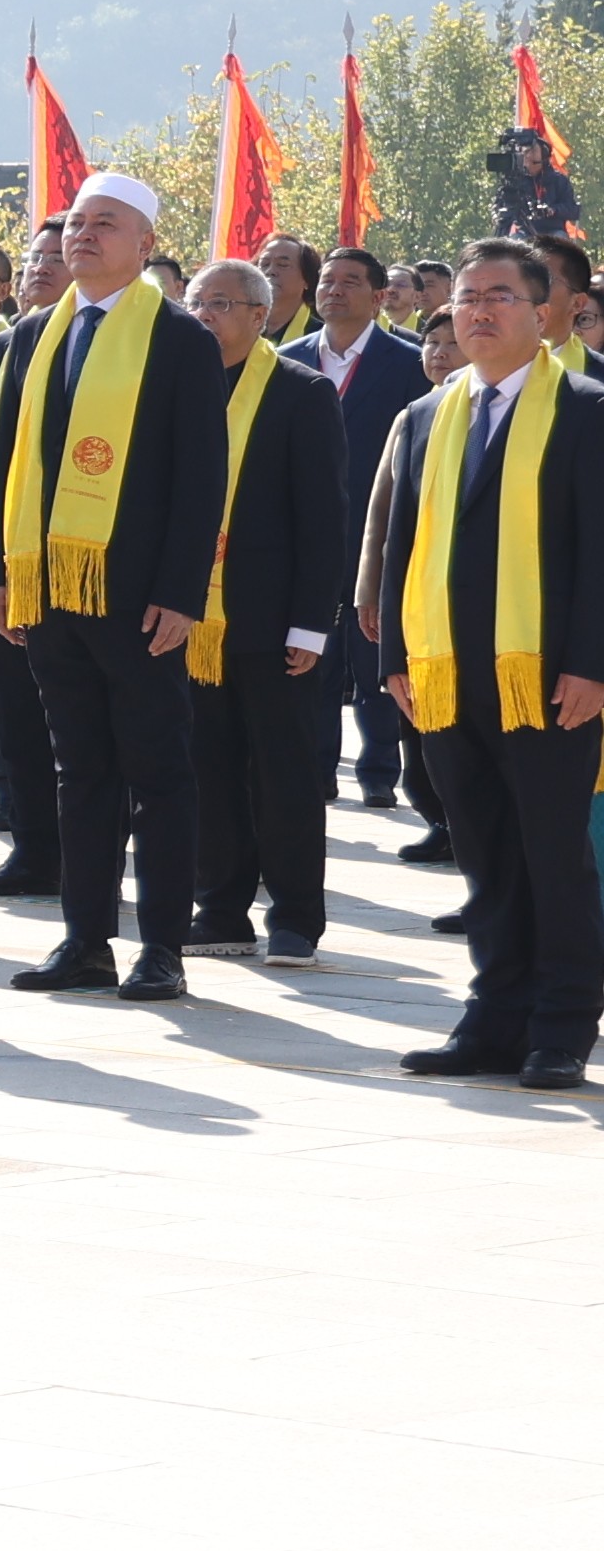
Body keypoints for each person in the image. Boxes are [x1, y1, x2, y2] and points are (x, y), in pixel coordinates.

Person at [0, 167, 236, 1000]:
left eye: (105, 224)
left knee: (158, 774)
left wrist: (181, 591)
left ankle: (162, 946)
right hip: (50, 590)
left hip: (139, 598)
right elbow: (9, 463)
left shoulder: (179, 337)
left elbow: (202, 475)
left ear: (146, 244)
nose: (83, 236)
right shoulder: (35, 334)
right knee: (79, 771)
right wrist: (0, 572)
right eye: (76, 223)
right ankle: (85, 940)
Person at [362, 241, 604, 1088]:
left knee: (552, 854)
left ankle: (562, 1024)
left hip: (547, 678)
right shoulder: (429, 414)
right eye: (467, 298)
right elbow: (401, 545)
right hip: (445, 674)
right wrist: (397, 656)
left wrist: (591, 664)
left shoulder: (587, 410)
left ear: (545, 314)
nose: (479, 311)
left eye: (500, 296)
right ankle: (494, 1016)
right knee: (485, 855)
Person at [154, 257, 345, 961]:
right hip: (189, 617)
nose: (205, 315)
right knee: (208, 768)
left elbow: (324, 518)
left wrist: (311, 623)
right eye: (197, 303)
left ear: (260, 317)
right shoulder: (173, 385)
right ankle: (221, 909)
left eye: (222, 304)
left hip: (271, 619)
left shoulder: (300, 392)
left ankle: (295, 915)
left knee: (284, 772)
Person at [280, 242, 427, 821]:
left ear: (379, 295)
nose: (333, 291)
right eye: (327, 281)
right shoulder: (285, 359)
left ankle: (379, 774)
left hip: (377, 535)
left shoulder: (407, 362)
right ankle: (316, 770)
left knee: (374, 660)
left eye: (349, 282)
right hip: (303, 535)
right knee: (309, 657)